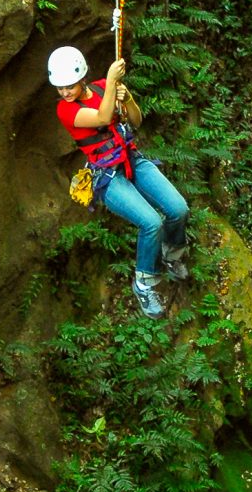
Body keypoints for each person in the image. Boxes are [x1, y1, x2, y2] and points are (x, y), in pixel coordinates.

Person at [48, 45, 189, 319]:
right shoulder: (65, 110)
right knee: (151, 222)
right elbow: (101, 117)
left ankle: (173, 254)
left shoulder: (103, 88)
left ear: (82, 78)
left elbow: (135, 119)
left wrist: (128, 99)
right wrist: (113, 81)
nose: (64, 92)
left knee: (178, 208)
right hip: (106, 176)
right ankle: (144, 283)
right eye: (60, 87)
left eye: (69, 86)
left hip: (132, 159)